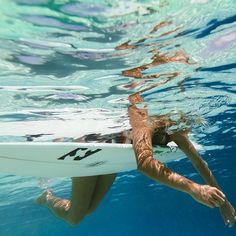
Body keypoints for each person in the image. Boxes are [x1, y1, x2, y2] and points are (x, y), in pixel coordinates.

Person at [37, 93, 236, 227]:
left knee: (86, 212)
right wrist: (194, 189)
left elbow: (199, 162)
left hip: (112, 157)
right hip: (91, 150)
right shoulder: (145, 121)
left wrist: (225, 201)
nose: (188, 130)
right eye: (187, 125)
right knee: (75, 218)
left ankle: (50, 199)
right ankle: (47, 198)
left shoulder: (176, 129)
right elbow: (144, 163)